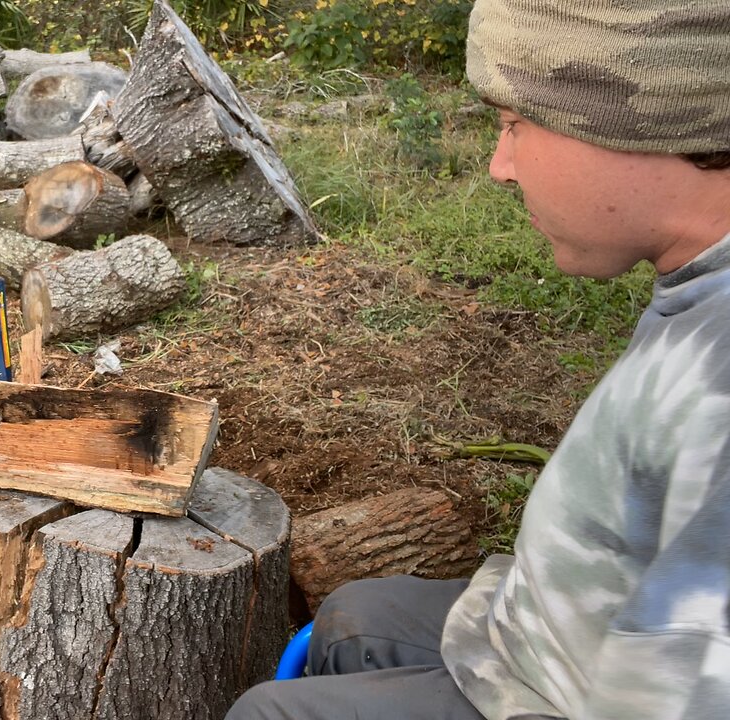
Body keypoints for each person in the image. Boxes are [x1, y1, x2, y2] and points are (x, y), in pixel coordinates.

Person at [226, 1, 730, 718]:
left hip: (587, 693)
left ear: (645, 117)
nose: (500, 167)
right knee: (356, 616)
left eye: (516, 124)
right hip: (563, 639)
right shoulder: (700, 282)